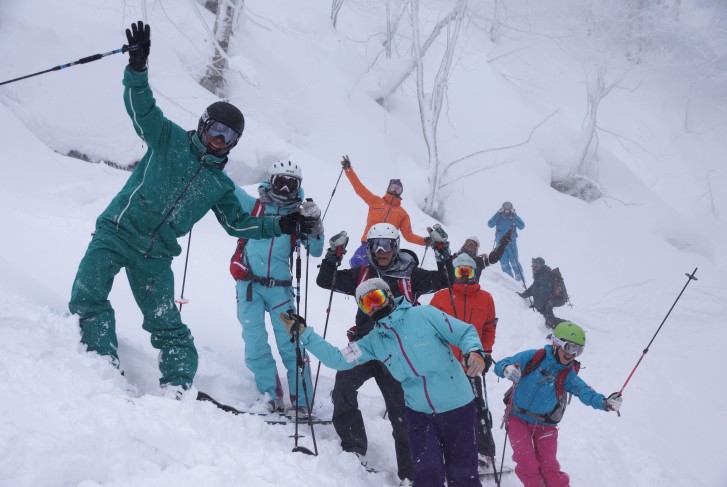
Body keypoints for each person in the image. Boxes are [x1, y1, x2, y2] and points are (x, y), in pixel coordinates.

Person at [68, 21, 319, 397]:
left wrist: (283, 224)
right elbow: (142, 110)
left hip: (155, 256)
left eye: (229, 136)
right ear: (203, 125)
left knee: (169, 327)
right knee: (88, 297)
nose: (219, 140)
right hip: (116, 233)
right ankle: (100, 364)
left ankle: (177, 387)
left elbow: (239, 225)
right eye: (216, 129)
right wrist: (137, 69)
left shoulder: (218, 185)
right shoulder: (168, 138)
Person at [280, 278, 488, 487]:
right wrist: (305, 334)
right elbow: (339, 359)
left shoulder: (424, 315)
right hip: (419, 414)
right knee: (426, 476)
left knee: (463, 475)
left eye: (376, 299)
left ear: (389, 296)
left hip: (458, 407)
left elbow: (464, 332)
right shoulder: (374, 340)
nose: (374, 307)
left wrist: (474, 352)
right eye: (366, 304)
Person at [315, 223, 453, 485]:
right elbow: (325, 280)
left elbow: (447, 280)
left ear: (396, 246)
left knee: (402, 412)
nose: (381, 251)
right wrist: (334, 253)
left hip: (397, 353)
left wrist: (442, 250)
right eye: (375, 245)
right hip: (364, 346)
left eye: (387, 245)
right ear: (368, 248)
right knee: (343, 388)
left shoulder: (411, 275)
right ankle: (353, 446)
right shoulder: (362, 274)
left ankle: (411, 475)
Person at [230, 160, 324, 415]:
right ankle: (270, 395)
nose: (284, 188)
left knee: (291, 342)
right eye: (279, 181)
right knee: (255, 341)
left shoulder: (298, 216)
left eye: (290, 183)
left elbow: (315, 251)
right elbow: (228, 189)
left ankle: (302, 400)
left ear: (298, 187)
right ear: (269, 181)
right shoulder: (255, 207)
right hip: (249, 286)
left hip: (281, 292)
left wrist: (315, 225)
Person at [494, 321, 623, 487]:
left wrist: (604, 403)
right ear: (557, 343)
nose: (573, 354)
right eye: (570, 348)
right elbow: (501, 364)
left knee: (549, 467)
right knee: (527, 463)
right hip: (517, 418)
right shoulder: (534, 357)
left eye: (579, 350)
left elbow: (584, 391)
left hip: (545, 424)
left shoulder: (567, 374)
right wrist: (506, 368)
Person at [429, 253, 498, 475]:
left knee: (476, 407)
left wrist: (485, 353)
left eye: (468, 272)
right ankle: (441, 448)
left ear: (474, 274)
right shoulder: (441, 296)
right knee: (439, 408)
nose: (464, 277)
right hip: (444, 363)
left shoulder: (486, 298)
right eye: (460, 272)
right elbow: (429, 328)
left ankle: (484, 450)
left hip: (472, 363)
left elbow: (489, 327)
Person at [340, 155, 428, 267]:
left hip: (388, 246)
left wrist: (425, 241)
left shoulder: (402, 213)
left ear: (401, 192)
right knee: (357, 262)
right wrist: (348, 170)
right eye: (393, 187)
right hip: (369, 242)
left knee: (383, 269)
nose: (395, 190)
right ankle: (358, 283)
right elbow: (359, 188)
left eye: (398, 188)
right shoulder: (375, 201)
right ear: (388, 188)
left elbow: (408, 235)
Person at [518, 257, 565, 329]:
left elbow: (545, 292)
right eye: (532, 265)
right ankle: (557, 326)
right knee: (547, 318)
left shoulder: (545, 276)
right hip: (548, 301)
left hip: (556, 299)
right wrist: (522, 295)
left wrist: (538, 306)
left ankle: (565, 325)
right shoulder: (539, 275)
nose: (533, 267)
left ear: (541, 266)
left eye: (535, 266)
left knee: (549, 318)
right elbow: (532, 289)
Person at [487, 201, 525, 281]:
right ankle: (510, 281)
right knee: (504, 264)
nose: (506, 212)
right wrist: (497, 214)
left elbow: (522, 226)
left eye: (508, 210)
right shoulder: (499, 217)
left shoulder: (513, 218)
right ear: (502, 209)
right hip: (500, 244)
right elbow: (490, 224)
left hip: (511, 243)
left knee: (515, 263)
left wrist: (515, 216)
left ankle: (520, 281)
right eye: (505, 209)